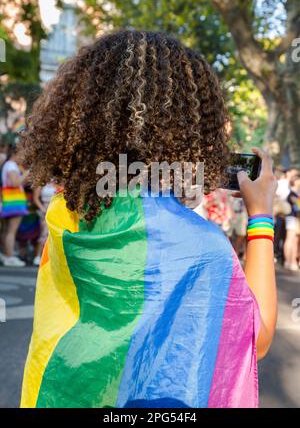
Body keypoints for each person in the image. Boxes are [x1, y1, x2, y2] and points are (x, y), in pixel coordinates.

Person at [19, 30, 277, 408]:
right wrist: (261, 218)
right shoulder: (201, 247)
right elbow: (257, 338)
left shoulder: (66, 213)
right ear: (190, 131)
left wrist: (166, 201)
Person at [0, 144, 29, 267]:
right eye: (21, 154)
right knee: (11, 231)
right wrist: (27, 174)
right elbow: (15, 182)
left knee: (7, 230)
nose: (22, 157)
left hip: (9, 200)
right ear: (15, 154)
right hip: (14, 202)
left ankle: (6, 254)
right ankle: (9, 256)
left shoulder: (7, 165)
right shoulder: (11, 165)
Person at [32, 183, 58, 265]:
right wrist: (43, 209)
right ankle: (38, 256)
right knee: (44, 233)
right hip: (45, 210)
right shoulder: (43, 182)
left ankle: (52, 257)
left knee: (53, 234)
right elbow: (35, 198)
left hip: (57, 211)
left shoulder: (60, 180)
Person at [284, 175, 300, 272]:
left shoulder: (295, 194)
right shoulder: (292, 194)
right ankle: (288, 261)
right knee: (290, 238)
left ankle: (291, 261)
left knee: (294, 239)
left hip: (294, 219)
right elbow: (298, 207)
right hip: (291, 218)